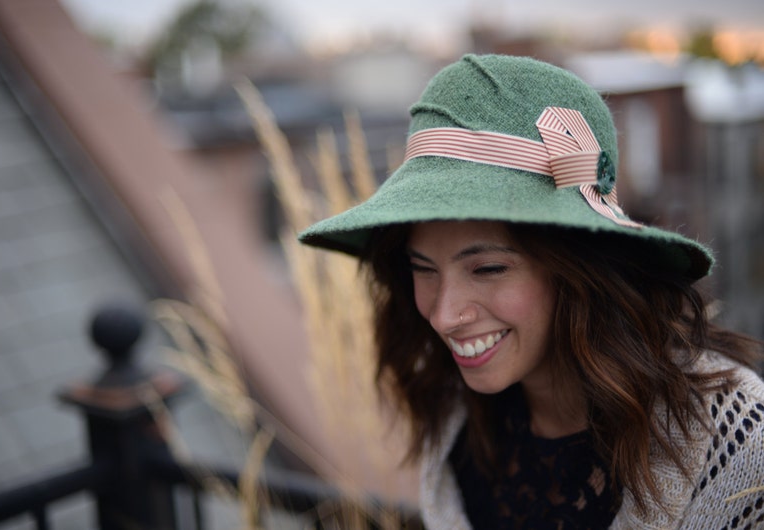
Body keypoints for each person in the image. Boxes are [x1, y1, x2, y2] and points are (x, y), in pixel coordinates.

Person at [298, 54, 764, 529]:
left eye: (488, 268)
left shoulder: (737, 440)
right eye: (424, 269)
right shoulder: (453, 418)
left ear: (578, 269)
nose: (444, 315)